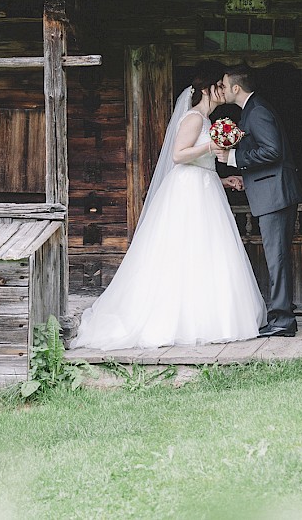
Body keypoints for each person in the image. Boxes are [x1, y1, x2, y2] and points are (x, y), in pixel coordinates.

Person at [71, 73, 266, 350]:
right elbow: (178, 156)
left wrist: (222, 179)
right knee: (183, 252)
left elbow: (198, 163)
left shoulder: (207, 121)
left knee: (205, 252)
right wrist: (212, 145)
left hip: (204, 187)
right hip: (188, 193)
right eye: (218, 86)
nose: (222, 91)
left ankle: (206, 318)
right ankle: (179, 321)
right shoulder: (194, 118)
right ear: (205, 90)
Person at [214, 66, 302, 338]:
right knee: (277, 258)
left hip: (275, 195)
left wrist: (233, 160)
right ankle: (281, 317)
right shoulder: (251, 111)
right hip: (271, 193)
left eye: (224, 83)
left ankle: (283, 321)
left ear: (235, 88)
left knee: (276, 259)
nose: (221, 87)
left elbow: (273, 151)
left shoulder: (258, 111)